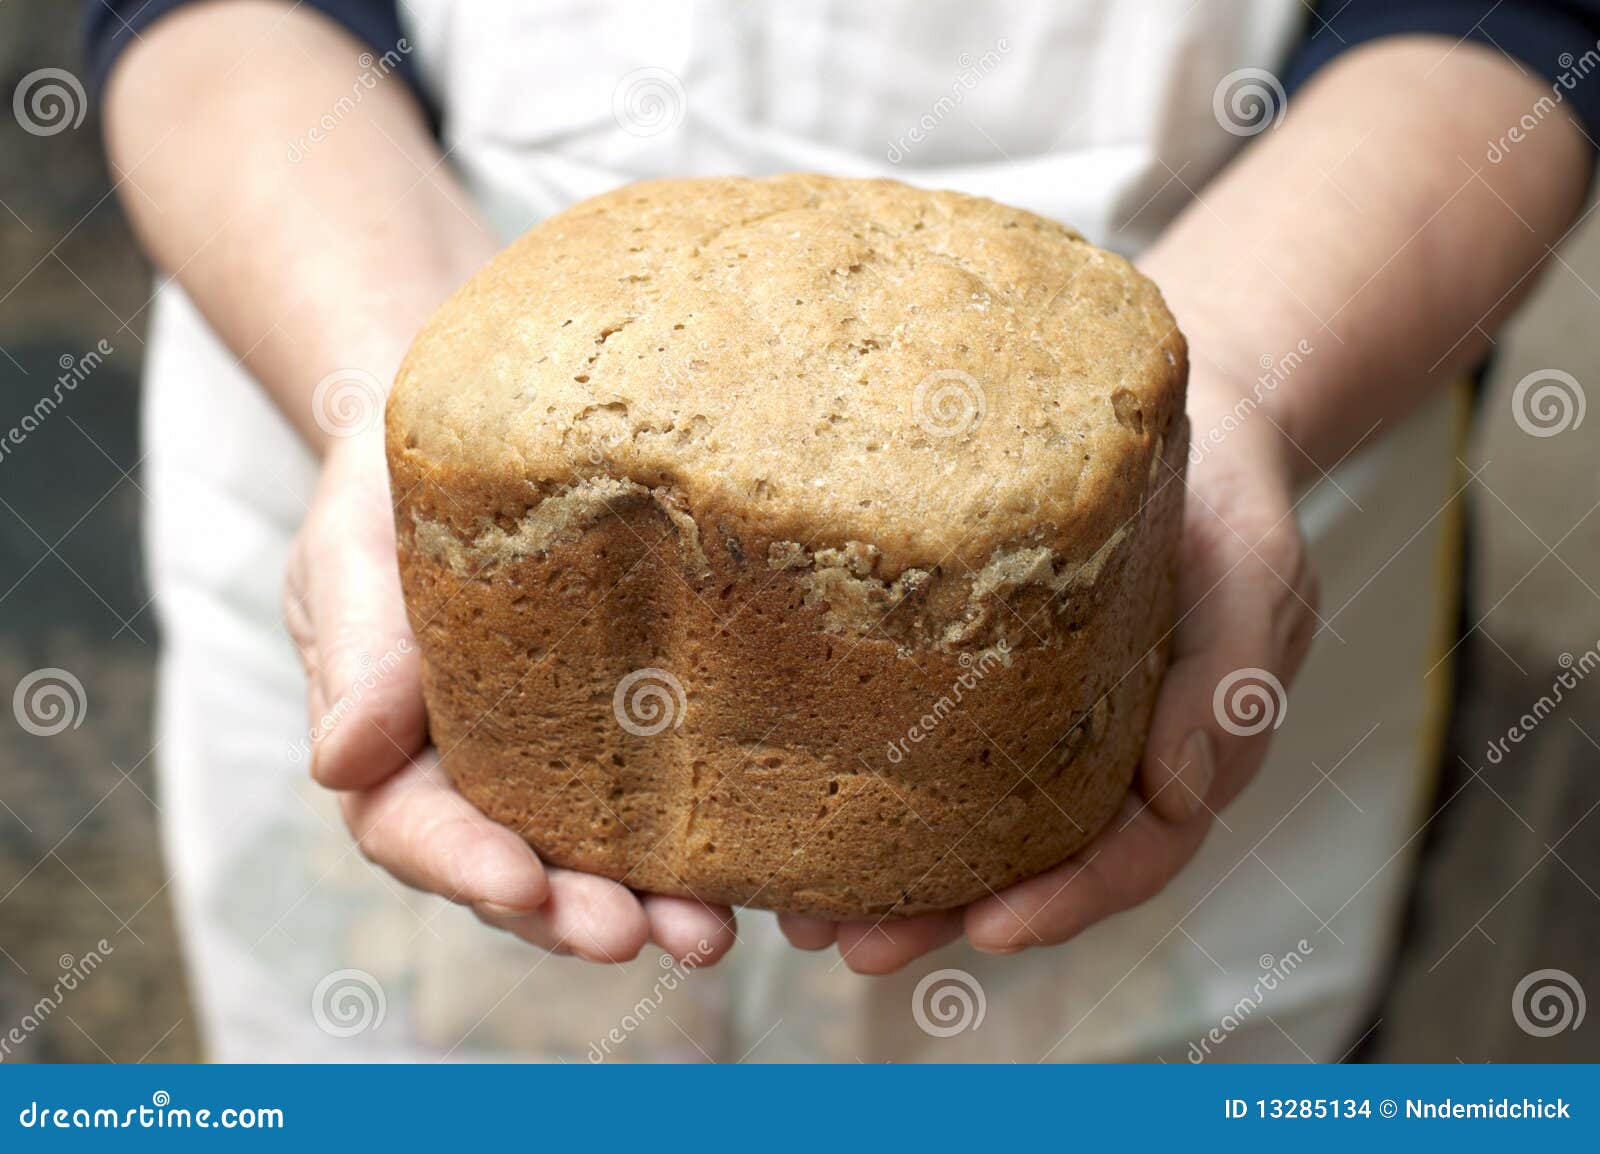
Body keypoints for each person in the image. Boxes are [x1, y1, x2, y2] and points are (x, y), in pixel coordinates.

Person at [87, 0, 1598, 1061]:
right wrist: (384, 383)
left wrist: (1244, 389)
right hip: (375, 283)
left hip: (1259, 320)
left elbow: (1506, 23)